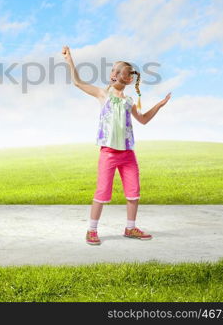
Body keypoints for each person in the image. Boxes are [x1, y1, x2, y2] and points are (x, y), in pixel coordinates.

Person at [62, 46, 171, 245]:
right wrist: (70, 59)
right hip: (109, 153)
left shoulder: (129, 101)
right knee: (102, 191)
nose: (113, 74)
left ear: (128, 79)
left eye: (118, 71)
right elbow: (77, 82)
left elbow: (144, 119)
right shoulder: (103, 95)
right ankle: (91, 230)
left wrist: (159, 105)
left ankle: (130, 228)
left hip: (128, 154)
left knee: (133, 192)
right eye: (113, 70)